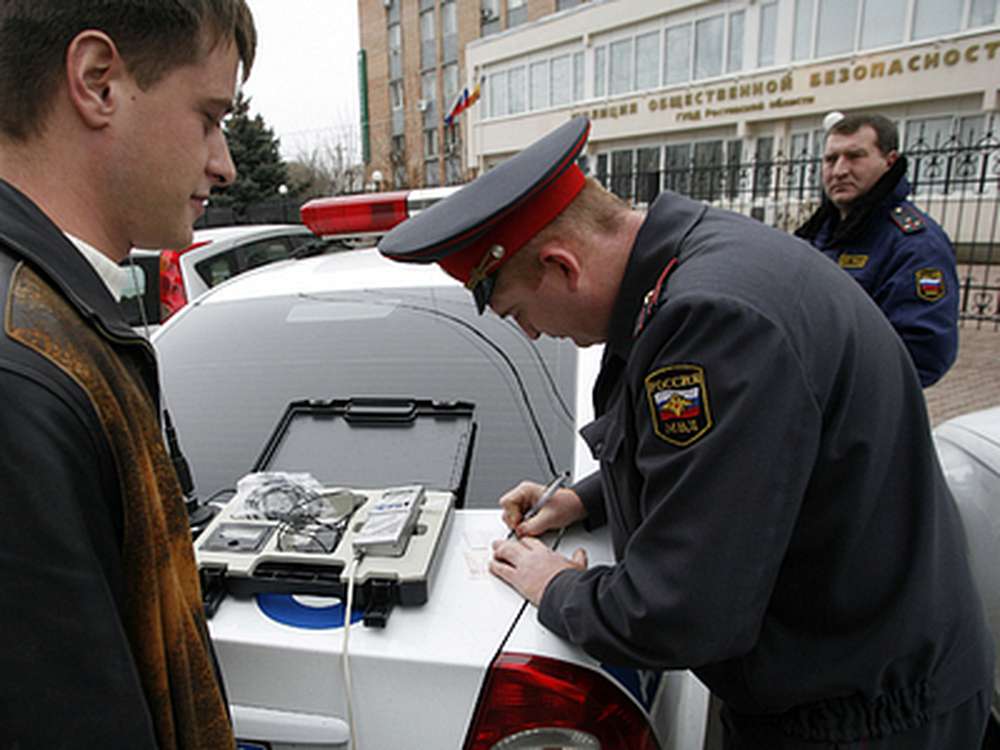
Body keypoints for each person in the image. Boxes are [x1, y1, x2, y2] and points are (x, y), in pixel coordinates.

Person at [378, 117, 994, 748]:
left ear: (563, 267)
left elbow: (681, 612)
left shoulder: (712, 322)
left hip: (862, 715)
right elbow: (742, 461)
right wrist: (587, 498)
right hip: (861, 670)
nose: (531, 334)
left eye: (517, 312)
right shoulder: (698, 259)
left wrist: (554, 584)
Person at [0, 2, 256, 747]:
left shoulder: (58, 316)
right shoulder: (22, 373)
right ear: (98, 81)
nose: (225, 162)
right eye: (209, 116)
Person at [795, 112, 959, 387]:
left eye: (855, 156)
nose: (839, 171)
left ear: (889, 162)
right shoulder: (820, 233)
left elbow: (924, 354)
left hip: (855, 410)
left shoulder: (915, 244)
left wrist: (835, 388)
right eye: (831, 159)